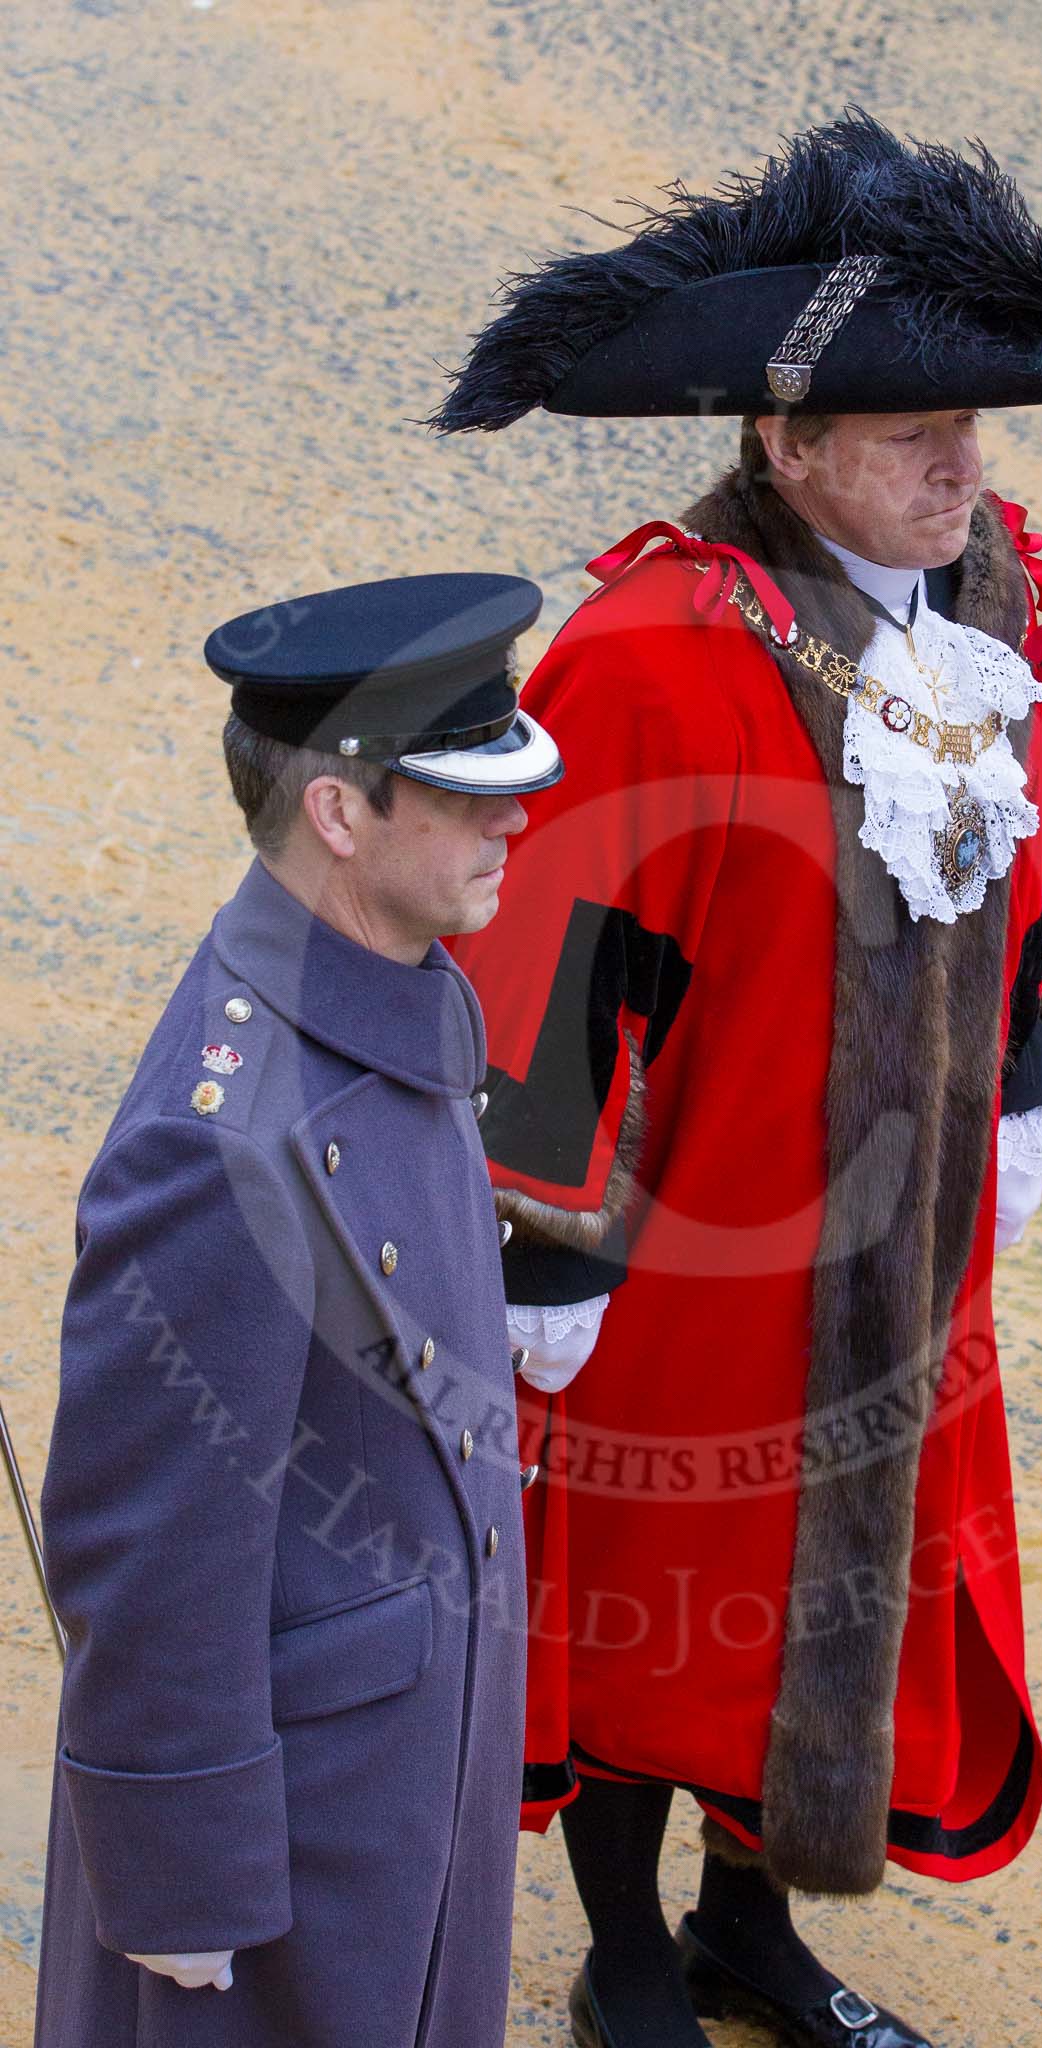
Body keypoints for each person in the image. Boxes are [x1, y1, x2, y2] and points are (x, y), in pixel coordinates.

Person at [431, 115, 1042, 2048]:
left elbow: (1031, 850)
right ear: (782, 443)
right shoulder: (646, 645)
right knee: (658, 1598)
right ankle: (617, 1960)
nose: (963, 468)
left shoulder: (989, 604)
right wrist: (544, 1252)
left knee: (846, 1591)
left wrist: (1030, 1076)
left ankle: (749, 1932)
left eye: (977, 428)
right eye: (915, 429)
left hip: (911, 1229)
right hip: (687, 1249)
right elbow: (545, 956)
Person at [33, 572, 562, 2048]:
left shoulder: (401, 987)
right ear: (340, 813)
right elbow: (146, 1545)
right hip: (293, 1826)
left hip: (407, 1756)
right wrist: (178, 1875)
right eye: (463, 798)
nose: (510, 819)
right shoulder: (219, 1139)